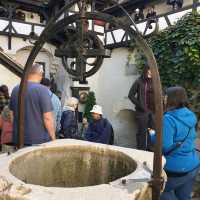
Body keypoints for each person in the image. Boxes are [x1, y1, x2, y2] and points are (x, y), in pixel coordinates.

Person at [150, 86, 200, 200]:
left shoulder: (168, 119)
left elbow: (163, 147)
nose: (164, 99)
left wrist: (153, 135)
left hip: (176, 169)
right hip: (193, 165)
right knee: (184, 197)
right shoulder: (190, 114)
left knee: (159, 192)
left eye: (165, 96)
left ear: (171, 98)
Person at [10, 63, 55, 146]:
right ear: (41, 74)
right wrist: (53, 138)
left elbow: (12, 116)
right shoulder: (43, 90)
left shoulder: (15, 89)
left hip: (18, 139)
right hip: (38, 141)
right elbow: (47, 118)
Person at [128, 65, 155, 150]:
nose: (150, 72)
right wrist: (140, 105)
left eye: (152, 70)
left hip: (153, 112)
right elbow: (131, 95)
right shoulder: (139, 81)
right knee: (142, 133)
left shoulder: (155, 81)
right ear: (145, 71)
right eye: (149, 70)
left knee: (152, 132)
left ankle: (151, 150)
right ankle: (141, 150)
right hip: (142, 112)